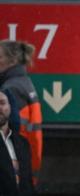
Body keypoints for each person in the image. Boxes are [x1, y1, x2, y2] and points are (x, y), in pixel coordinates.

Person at [0, 40, 42, 179]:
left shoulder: (10, 88)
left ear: (12, 61)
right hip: (26, 160)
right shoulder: (23, 83)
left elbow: (10, 131)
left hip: (14, 163)